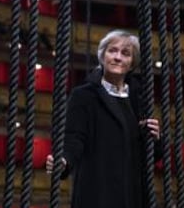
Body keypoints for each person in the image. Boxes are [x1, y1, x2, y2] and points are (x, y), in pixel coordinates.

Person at [46, 29, 161, 208]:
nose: (117, 57)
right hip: (97, 191)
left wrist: (155, 138)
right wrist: (64, 161)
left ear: (132, 63)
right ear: (102, 56)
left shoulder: (139, 98)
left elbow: (148, 155)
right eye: (112, 50)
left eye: (125, 53)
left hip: (132, 193)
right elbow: (73, 137)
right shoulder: (83, 95)